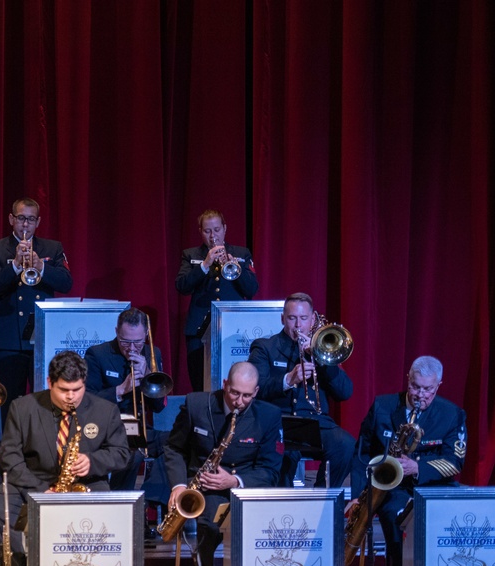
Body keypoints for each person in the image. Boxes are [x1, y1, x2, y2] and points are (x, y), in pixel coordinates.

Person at [0, 350, 129, 566]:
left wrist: (93, 461)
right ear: (49, 383)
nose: (71, 397)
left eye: (77, 390)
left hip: (86, 482)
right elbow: (9, 456)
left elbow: (121, 454)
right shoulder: (23, 407)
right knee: (0, 509)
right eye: (64, 390)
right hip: (32, 479)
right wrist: (40, 489)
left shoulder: (105, 410)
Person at [163, 361, 282, 566]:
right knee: (211, 524)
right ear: (225, 384)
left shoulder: (269, 416)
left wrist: (235, 481)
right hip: (204, 487)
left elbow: (271, 470)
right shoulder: (196, 404)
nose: (239, 401)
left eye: (247, 396)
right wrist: (178, 485)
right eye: (234, 393)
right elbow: (174, 448)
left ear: (256, 392)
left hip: (245, 486)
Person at [350, 356, 466, 566]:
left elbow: (455, 462)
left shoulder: (452, 414)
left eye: (427, 389)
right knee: (395, 514)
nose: (419, 395)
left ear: (438, 386)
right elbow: (362, 454)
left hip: (433, 485)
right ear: (408, 380)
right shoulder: (382, 406)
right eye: (415, 386)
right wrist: (357, 497)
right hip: (394, 487)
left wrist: (418, 467)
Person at [247, 292, 355, 487]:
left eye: (303, 318)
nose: (298, 325)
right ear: (282, 319)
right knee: (285, 456)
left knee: (345, 444)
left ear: (312, 319)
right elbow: (256, 388)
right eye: (292, 318)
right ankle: (286, 509)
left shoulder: (322, 349)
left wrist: (322, 360)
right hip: (280, 423)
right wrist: (289, 379)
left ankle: (322, 500)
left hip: (316, 423)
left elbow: (345, 392)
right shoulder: (265, 347)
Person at [0, 198, 73, 420]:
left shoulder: (52, 248)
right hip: (10, 338)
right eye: (21, 218)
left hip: (42, 335)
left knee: (46, 399)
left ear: (38, 222)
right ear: (11, 219)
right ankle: (12, 449)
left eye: (31, 219)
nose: (25, 224)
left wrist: (41, 266)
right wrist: (14, 265)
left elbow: (66, 283)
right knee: (11, 400)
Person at [84, 308, 171, 509]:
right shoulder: (97, 354)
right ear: (116, 332)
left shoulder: (152, 353)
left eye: (138, 342)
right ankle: (116, 507)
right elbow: (86, 401)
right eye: (125, 341)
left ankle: (151, 504)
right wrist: (121, 389)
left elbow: (158, 407)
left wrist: (148, 374)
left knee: (176, 443)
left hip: (140, 429)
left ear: (145, 337)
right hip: (107, 429)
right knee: (132, 454)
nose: (131, 348)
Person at [175, 209, 259, 392]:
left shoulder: (241, 253)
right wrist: (205, 265)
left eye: (217, 229)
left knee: (235, 380)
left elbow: (252, 290)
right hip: (199, 330)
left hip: (234, 328)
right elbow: (182, 286)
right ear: (200, 231)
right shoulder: (191, 255)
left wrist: (236, 268)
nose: (213, 235)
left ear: (225, 229)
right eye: (207, 231)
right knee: (199, 382)